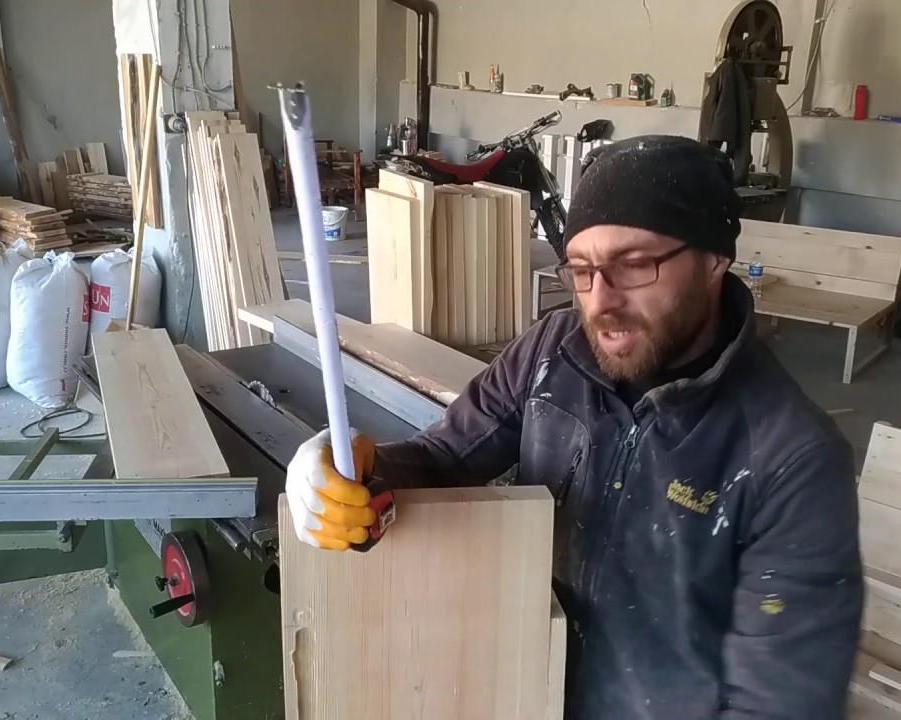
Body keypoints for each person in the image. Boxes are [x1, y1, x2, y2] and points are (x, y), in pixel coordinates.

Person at [285, 135, 862, 719]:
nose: (600, 301)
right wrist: (356, 477)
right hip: (518, 697)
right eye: (582, 270)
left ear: (714, 260)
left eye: (633, 265)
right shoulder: (550, 352)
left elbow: (778, 705)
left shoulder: (792, 460)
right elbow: (444, 459)